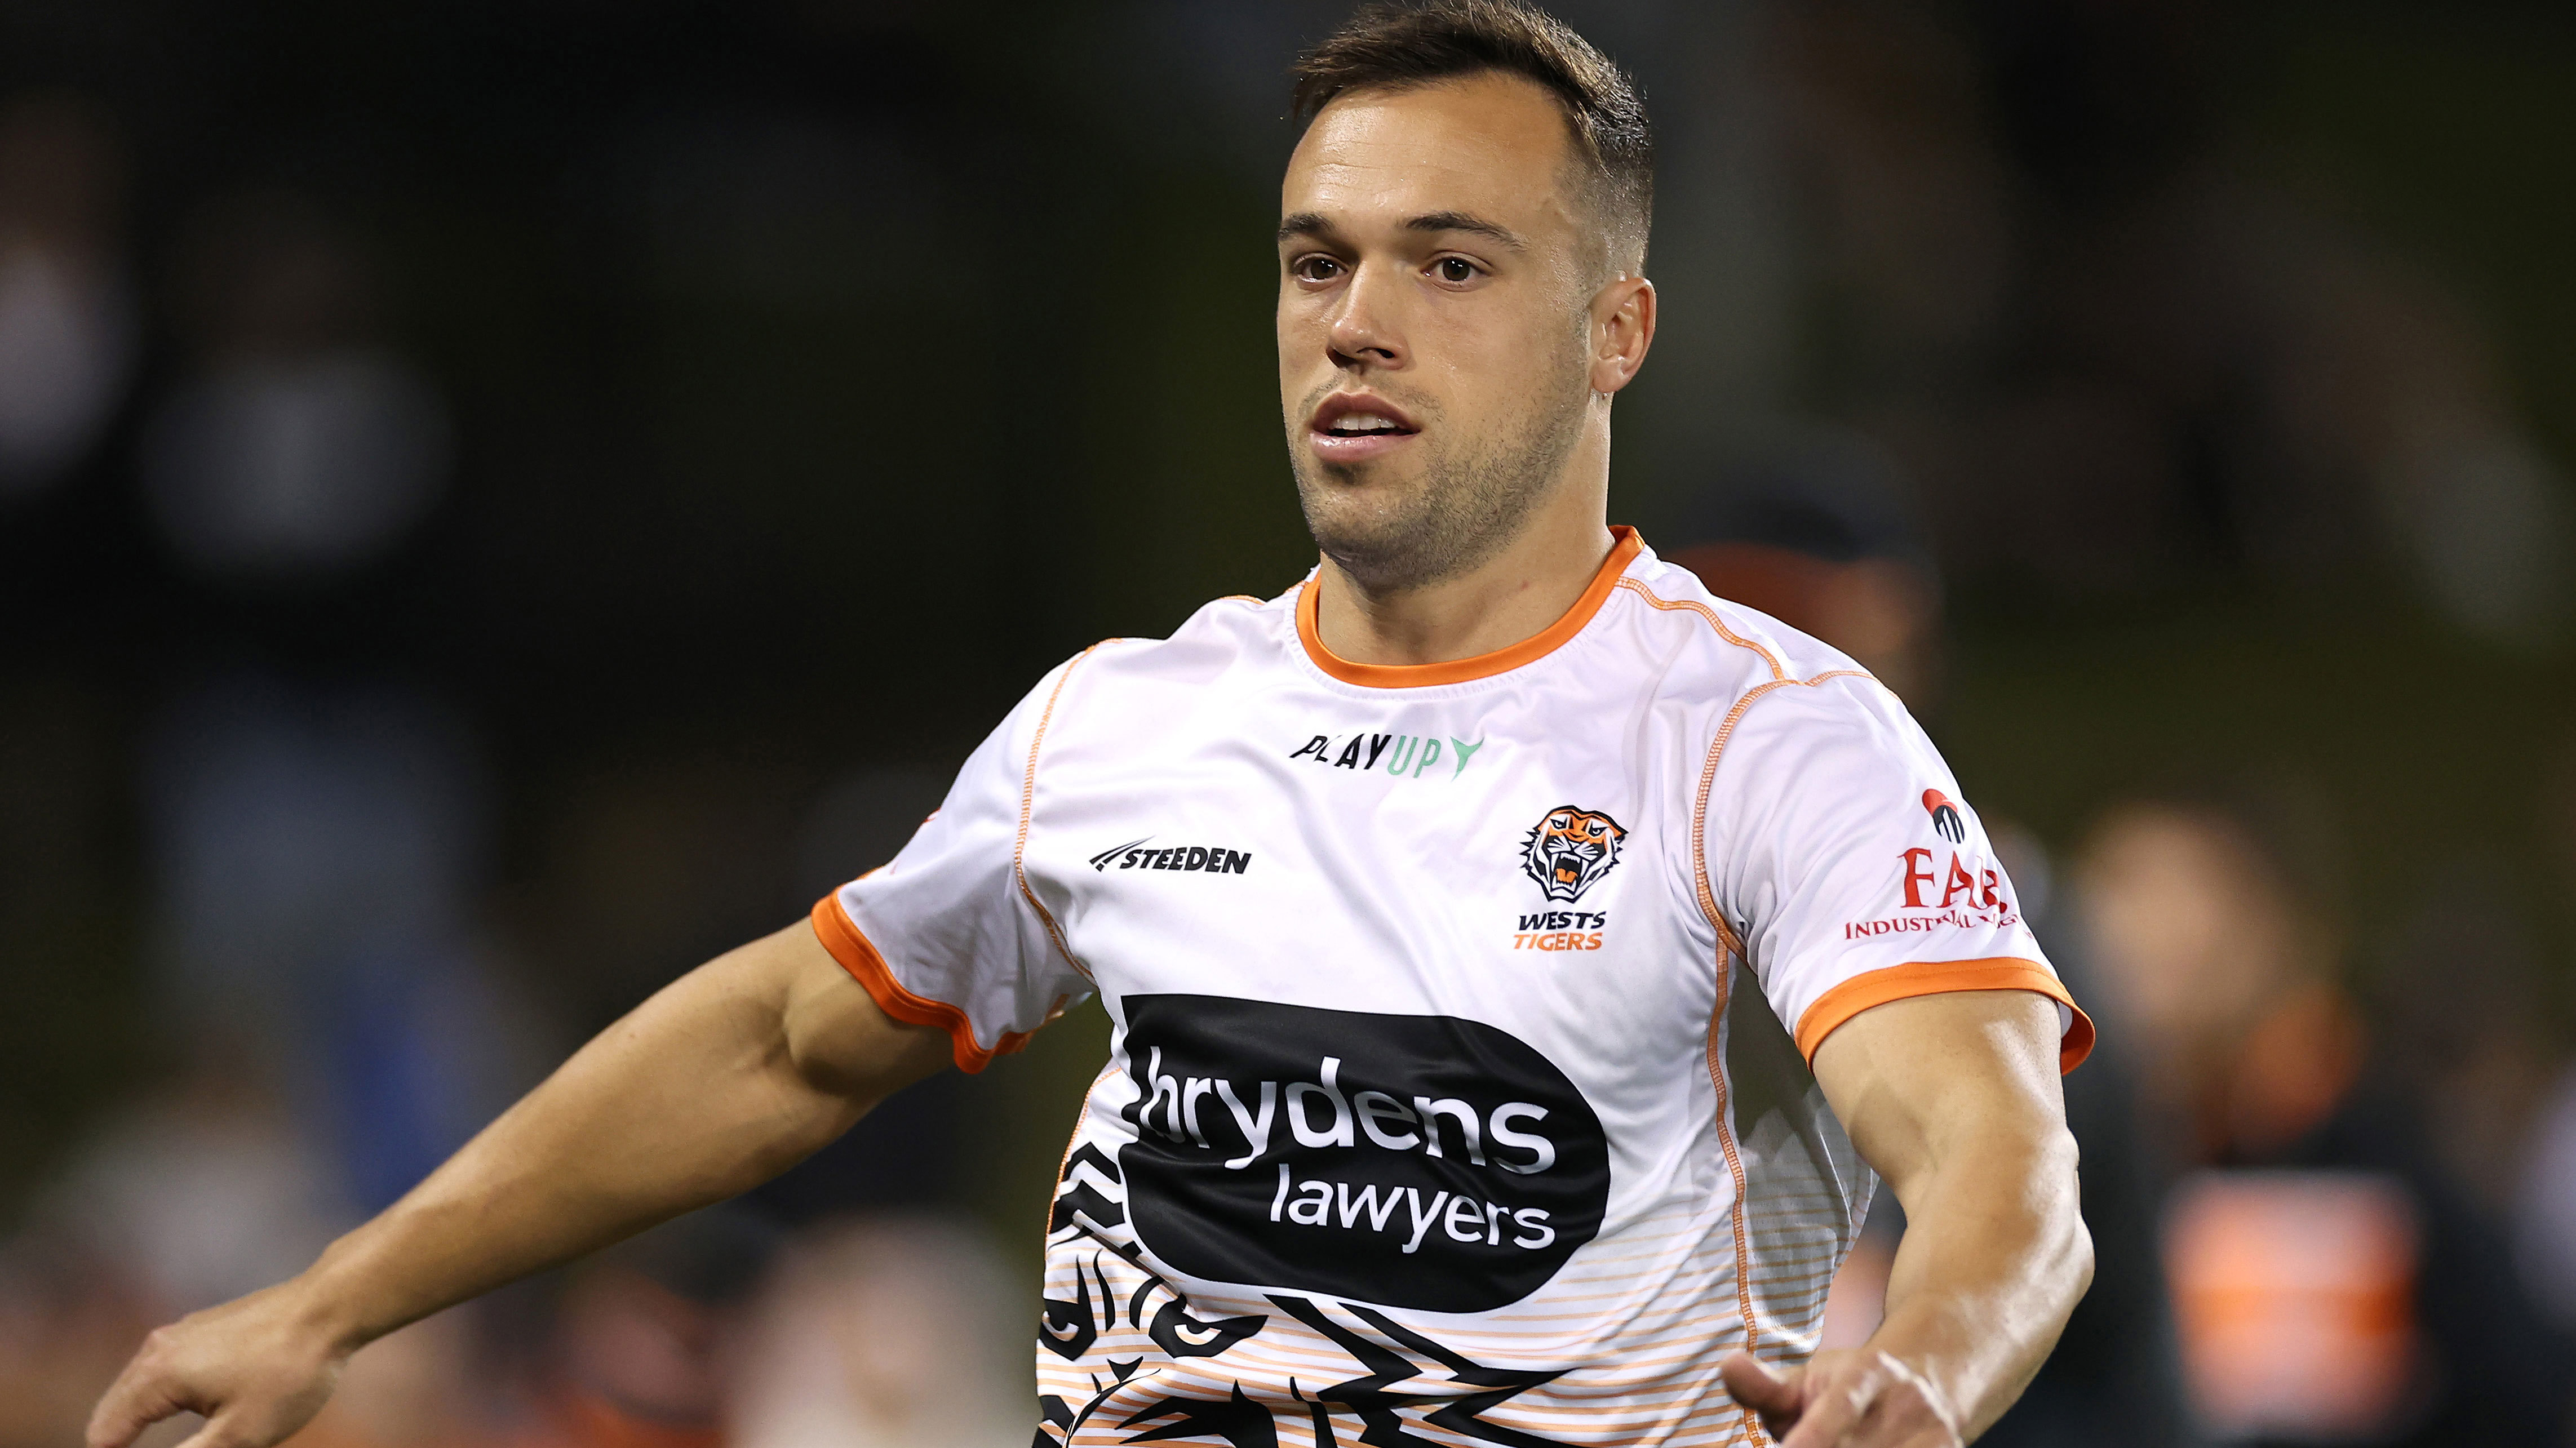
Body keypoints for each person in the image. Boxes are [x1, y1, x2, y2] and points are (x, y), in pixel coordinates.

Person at [88, 5, 2094, 1446]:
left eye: (1449, 264)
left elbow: (1998, 1155)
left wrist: (1912, 1374)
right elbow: (786, 1042)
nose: (1355, 321)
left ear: (1615, 332)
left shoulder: (1769, 735)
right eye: (1316, 261)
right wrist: (333, 1301)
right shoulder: (1126, 726)